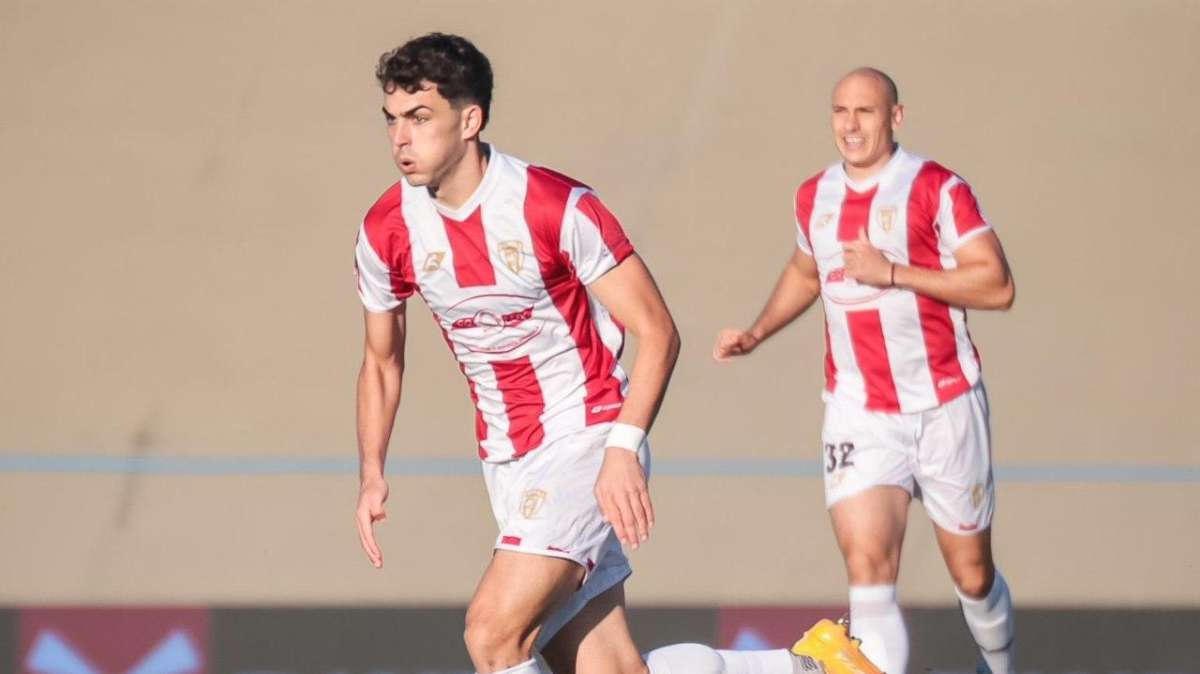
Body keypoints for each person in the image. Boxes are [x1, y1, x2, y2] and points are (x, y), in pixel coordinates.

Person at [353, 33, 880, 674]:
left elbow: (658, 331)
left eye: (419, 118)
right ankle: (811, 667)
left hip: (587, 439)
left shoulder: (553, 206)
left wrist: (621, 450)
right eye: (392, 120)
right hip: (508, 460)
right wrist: (373, 469)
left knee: (491, 634)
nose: (400, 138)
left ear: (470, 120)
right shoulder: (387, 229)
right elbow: (383, 359)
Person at [713, 67, 1017, 674]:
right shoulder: (813, 196)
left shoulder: (936, 188)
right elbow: (806, 271)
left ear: (895, 117)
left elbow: (998, 285)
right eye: (840, 112)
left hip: (945, 404)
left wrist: (896, 273)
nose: (850, 126)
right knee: (868, 568)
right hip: (858, 410)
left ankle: (1000, 663)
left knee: (973, 573)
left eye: (866, 112)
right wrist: (757, 332)